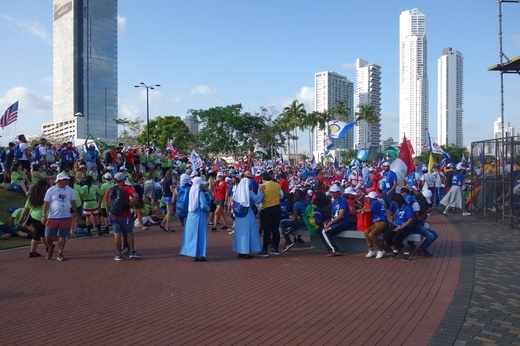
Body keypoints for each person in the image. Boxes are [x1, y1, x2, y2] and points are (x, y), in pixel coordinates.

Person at [41, 172, 79, 261]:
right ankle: (50, 248)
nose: (66, 181)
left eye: (66, 180)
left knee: (63, 236)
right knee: (48, 236)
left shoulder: (69, 190)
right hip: (53, 217)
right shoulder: (51, 190)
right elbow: (46, 203)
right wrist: (43, 215)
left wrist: (75, 212)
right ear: (59, 180)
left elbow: (73, 201)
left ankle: (60, 252)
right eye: (65, 180)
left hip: (66, 216)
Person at [105, 172, 140, 261]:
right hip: (126, 215)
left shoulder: (110, 189)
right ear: (122, 180)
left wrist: (109, 215)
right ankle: (132, 251)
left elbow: (107, 204)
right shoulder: (126, 188)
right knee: (129, 233)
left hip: (114, 215)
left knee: (117, 234)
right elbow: (136, 195)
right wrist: (132, 205)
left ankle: (118, 254)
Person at [232, 174, 264, 258]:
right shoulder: (248, 192)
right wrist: (261, 192)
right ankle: (246, 251)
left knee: (240, 233)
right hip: (247, 213)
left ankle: (240, 251)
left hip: (239, 215)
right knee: (248, 232)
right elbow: (257, 200)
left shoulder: (237, 191)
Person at [180, 176, 210, 261]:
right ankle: (200, 254)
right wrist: (209, 209)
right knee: (200, 235)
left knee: (193, 235)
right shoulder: (200, 193)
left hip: (191, 215)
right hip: (199, 214)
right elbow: (203, 205)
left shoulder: (191, 191)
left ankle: (194, 253)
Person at [19, 180, 49, 258]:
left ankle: (47, 247)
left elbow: (25, 208)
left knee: (41, 233)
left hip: (32, 216)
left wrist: (21, 218)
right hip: (41, 217)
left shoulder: (32, 195)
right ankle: (32, 251)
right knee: (37, 235)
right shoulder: (46, 195)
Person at [320, 184, 351, 257]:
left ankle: (334, 250)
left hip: (342, 223)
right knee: (320, 229)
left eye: (334, 192)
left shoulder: (342, 200)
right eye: (331, 192)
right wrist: (329, 221)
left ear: (338, 192)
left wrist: (330, 223)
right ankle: (329, 248)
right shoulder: (334, 202)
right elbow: (334, 216)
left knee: (324, 231)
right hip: (336, 222)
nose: (332, 194)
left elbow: (340, 216)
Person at [383, 194, 415, 261]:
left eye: (395, 202)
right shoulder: (398, 207)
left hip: (406, 227)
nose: (394, 203)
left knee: (395, 239)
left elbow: (411, 219)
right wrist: (393, 219)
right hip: (396, 225)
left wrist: (400, 227)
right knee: (386, 236)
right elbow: (394, 214)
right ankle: (395, 251)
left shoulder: (407, 207)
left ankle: (406, 252)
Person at [258, 172, 283, 257]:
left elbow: (259, 199)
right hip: (277, 208)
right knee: (275, 229)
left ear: (262, 179)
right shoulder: (277, 185)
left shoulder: (262, 186)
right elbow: (281, 195)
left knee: (267, 230)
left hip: (267, 209)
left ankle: (265, 250)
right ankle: (276, 249)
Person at [362, 191, 389, 259]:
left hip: (382, 222)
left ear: (371, 198)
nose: (367, 200)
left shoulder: (375, 202)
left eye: (368, 198)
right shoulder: (378, 202)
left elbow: (370, 210)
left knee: (371, 234)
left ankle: (381, 250)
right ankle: (371, 250)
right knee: (366, 232)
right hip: (377, 222)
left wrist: (361, 210)